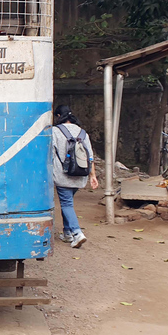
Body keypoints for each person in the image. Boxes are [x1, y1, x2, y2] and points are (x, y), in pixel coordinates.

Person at [51, 105, 99, 248]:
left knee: (66, 204)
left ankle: (77, 233)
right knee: (68, 203)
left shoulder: (55, 131)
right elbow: (90, 157)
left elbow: (50, 154)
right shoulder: (83, 133)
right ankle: (67, 233)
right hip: (80, 175)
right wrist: (93, 176)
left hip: (63, 175)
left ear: (59, 116)